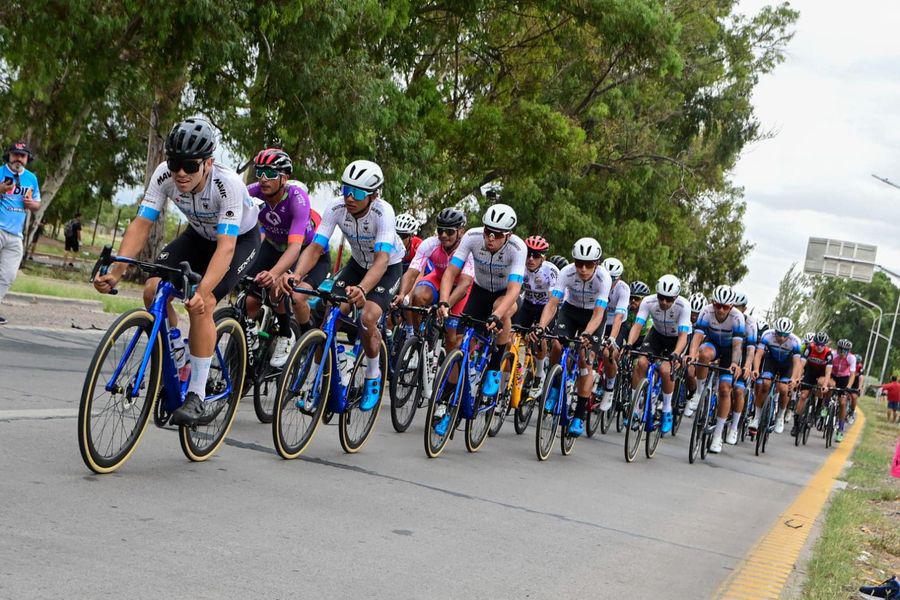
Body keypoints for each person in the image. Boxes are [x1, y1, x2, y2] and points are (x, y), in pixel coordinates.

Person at [93, 118, 261, 426]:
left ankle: (196, 393)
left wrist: (203, 291)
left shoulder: (227, 185)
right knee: (152, 289)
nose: (180, 173)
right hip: (198, 235)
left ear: (208, 163)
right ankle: (177, 353)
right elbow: (142, 224)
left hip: (238, 241)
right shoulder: (164, 175)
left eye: (190, 165)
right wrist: (117, 271)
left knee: (203, 304)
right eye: (174, 164)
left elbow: (225, 248)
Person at [286, 159, 403, 411]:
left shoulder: (383, 212)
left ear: (373, 195)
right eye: (346, 189)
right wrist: (296, 275)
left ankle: (373, 375)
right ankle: (315, 384)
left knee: (367, 318)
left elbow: (382, 260)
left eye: (357, 193)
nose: (349, 197)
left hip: (387, 267)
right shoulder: (336, 207)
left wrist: (362, 289)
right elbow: (316, 248)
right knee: (331, 316)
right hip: (357, 264)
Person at [433, 203, 526, 435]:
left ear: (508, 235)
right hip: (480, 291)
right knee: (460, 345)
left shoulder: (517, 248)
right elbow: (451, 273)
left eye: (497, 235)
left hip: (506, 294)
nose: (490, 238)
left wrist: (497, 315)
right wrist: (444, 301)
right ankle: (449, 399)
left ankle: (494, 368)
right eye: (488, 231)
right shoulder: (473, 237)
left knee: (501, 310)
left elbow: (514, 289)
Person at [246, 148, 329, 368]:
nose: (264, 178)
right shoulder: (253, 192)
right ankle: (248, 337)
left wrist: (274, 274)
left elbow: (294, 248)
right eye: (260, 172)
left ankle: (290, 335)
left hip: (306, 252)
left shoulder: (297, 199)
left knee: (282, 289)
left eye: (271, 173)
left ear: (284, 178)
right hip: (273, 246)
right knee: (250, 298)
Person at [533, 237, 610, 436]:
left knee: (585, 359)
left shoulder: (604, 278)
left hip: (593, 316)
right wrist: (541, 327)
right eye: (579, 263)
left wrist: (587, 333)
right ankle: (554, 387)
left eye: (588, 265)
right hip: (571, 311)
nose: (583, 269)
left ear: (597, 263)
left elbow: (598, 314)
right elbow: (552, 304)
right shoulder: (566, 272)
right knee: (557, 345)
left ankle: (579, 415)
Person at [392, 207, 473, 350]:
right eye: (440, 230)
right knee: (418, 296)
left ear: (461, 232)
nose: (443, 235)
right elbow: (412, 272)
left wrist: (445, 305)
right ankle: (421, 340)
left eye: (449, 232)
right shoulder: (430, 244)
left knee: (451, 338)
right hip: (438, 279)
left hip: (460, 288)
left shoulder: (468, 249)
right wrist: (402, 293)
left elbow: (464, 285)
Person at [625, 274, 692, 434]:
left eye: (669, 299)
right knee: (641, 363)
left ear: (676, 297)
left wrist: (676, 353)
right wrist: (629, 344)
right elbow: (637, 325)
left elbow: (683, 336)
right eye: (661, 297)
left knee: (665, 370)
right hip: (657, 334)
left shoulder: (684, 305)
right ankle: (634, 407)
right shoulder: (648, 301)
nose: (664, 302)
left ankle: (667, 410)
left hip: (677, 338)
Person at [687, 285, 745, 453]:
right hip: (712, 345)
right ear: (712, 302)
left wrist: (734, 363)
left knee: (725, 389)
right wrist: (692, 355)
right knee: (703, 354)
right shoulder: (706, 311)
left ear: (731, 306)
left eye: (725, 307)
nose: (720, 310)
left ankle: (718, 435)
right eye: (717, 305)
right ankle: (699, 393)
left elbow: (737, 346)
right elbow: (697, 337)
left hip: (729, 351)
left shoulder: (738, 317)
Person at [0, 141, 42, 326]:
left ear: (27, 158)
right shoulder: (1, 172)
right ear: (9, 155)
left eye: (22, 155)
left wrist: (32, 204)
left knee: (8, 275)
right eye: (15, 154)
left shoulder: (31, 178)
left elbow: (37, 203)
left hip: (16, 234)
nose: (18, 158)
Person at [513, 235, 559, 391]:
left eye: (536, 255)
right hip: (527, 304)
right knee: (513, 334)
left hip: (545, 307)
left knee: (541, 337)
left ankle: (539, 374)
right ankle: (514, 367)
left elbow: (552, 302)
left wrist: (541, 326)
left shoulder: (551, 271)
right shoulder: (520, 265)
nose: (531, 259)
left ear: (543, 258)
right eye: (528, 254)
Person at [749, 317, 802, 435]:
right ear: (775, 331)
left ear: (789, 334)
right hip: (771, 361)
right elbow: (758, 354)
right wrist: (756, 369)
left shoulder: (795, 341)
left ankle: (780, 416)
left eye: (785, 335)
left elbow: (797, 363)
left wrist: (794, 378)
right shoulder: (767, 335)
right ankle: (756, 417)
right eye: (779, 334)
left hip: (787, 365)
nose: (781, 338)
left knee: (784, 388)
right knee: (765, 384)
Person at [598, 257, 629, 410]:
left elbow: (618, 317)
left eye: (613, 279)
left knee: (608, 352)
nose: (609, 281)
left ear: (619, 278)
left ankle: (609, 388)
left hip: (617, 324)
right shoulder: (597, 281)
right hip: (600, 319)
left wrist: (612, 338)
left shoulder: (623, 289)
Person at [791, 331, 833, 436]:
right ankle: (796, 424)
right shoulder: (809, 348)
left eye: (822, 345)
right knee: (803, 396)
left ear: (825, 345)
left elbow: (828, 372)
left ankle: (818, 407)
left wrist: (825, 385)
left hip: (821, 374)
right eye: (817, 344)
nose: (819, 347)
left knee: (821, 384)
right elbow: (801, 365)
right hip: (810, 372)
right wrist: (798, 378)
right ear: (814, 343)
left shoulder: (828, 354)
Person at [830, 338, 858, 443]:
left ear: (848, 351)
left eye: (845, 350)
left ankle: (840, 430)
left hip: (844, 379)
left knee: (842, 403)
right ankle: (825, 406)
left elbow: (852, 374)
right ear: (837, 349)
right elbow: (827, 368)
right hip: (833, 376)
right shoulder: (833, 354)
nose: (842, 352)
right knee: (829, 388)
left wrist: (848, 387)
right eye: (840, 349)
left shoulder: (851, 358)